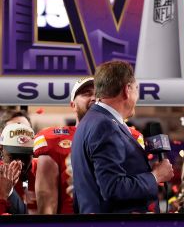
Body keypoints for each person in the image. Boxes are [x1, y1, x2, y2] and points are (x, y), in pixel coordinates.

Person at [71, 60, 174, 213]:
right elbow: (112, 187)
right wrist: (155, 176)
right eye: (137, 89)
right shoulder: (104, 125)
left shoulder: (92, 121)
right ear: (127, 89)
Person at [33, 77, 95, 214]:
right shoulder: (54, 139)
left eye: (99, 94)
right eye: (87, 93)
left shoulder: (125, 137)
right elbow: (47, 204)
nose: (94, 98)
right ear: (73, 105)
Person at [0, 121, 36, 214]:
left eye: (25, 156)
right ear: (1, 150)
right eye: (13, 156)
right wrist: (7, 191)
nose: (20, 163)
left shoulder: (42, 171)